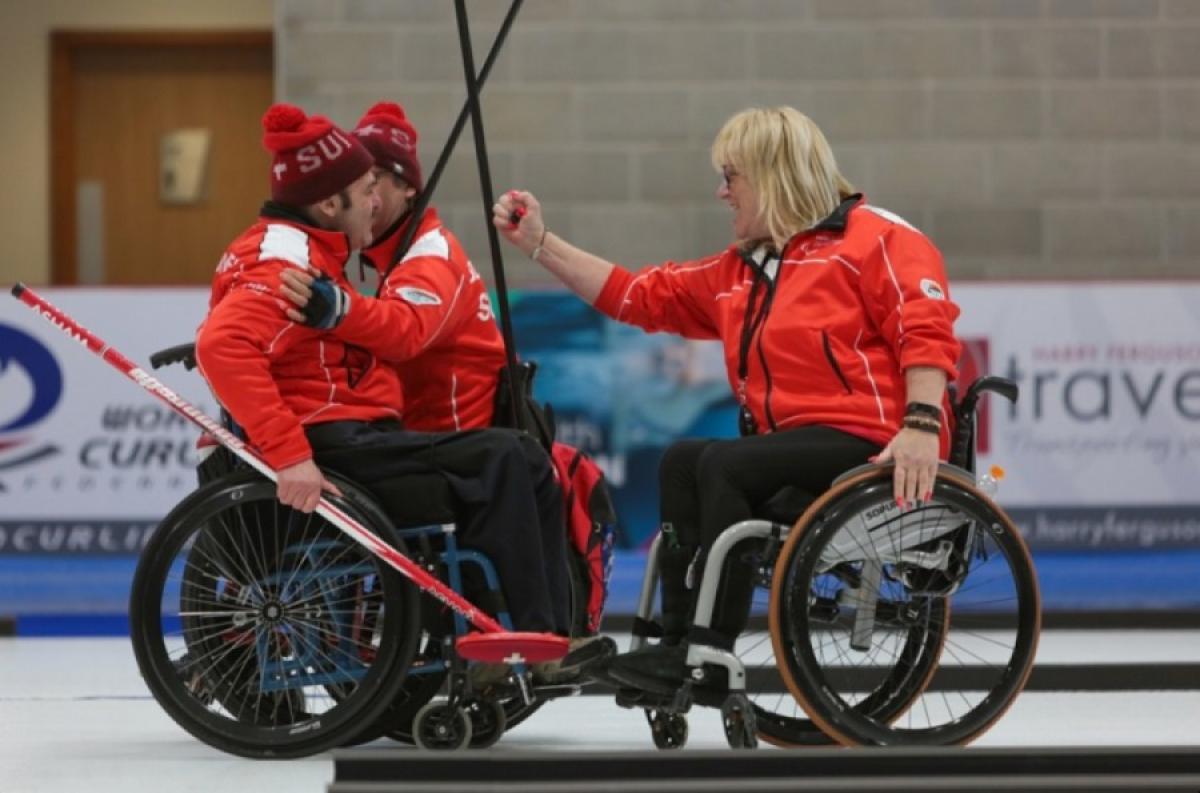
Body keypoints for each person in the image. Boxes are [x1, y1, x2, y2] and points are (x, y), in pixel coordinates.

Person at [492, 106, 962, 690]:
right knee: (682, 459)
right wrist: (540, 244)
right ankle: (676, 643)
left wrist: (920, 424)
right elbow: (635, 296)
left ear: (771, 175)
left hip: (874, 440)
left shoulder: (877, 239)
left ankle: (710, 650)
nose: (721, 192)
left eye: (731, 177)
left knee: (724, 464)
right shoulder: (742, 270)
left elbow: (927, 328)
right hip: (792, 445)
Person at [194, 102, 591, 683]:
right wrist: (290, 456)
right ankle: (520, 640)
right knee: (509, 457)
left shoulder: (327, 252)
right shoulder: (291, 258)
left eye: (376, 186)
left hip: (360, 435)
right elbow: (222, 346)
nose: (372, 202)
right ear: (331, 203)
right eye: (364, 189)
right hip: (334, 446)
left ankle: (545, 638)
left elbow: (392, 332)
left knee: (523, 458)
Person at [276, 101, 506, 432]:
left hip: (455, 456)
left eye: (376, 177)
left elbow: (405, 331)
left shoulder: (430, 255)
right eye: (357, 179)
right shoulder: (394, 254)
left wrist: (337, 309)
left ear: (409, 187)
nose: (365, 191)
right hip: (418, 440)